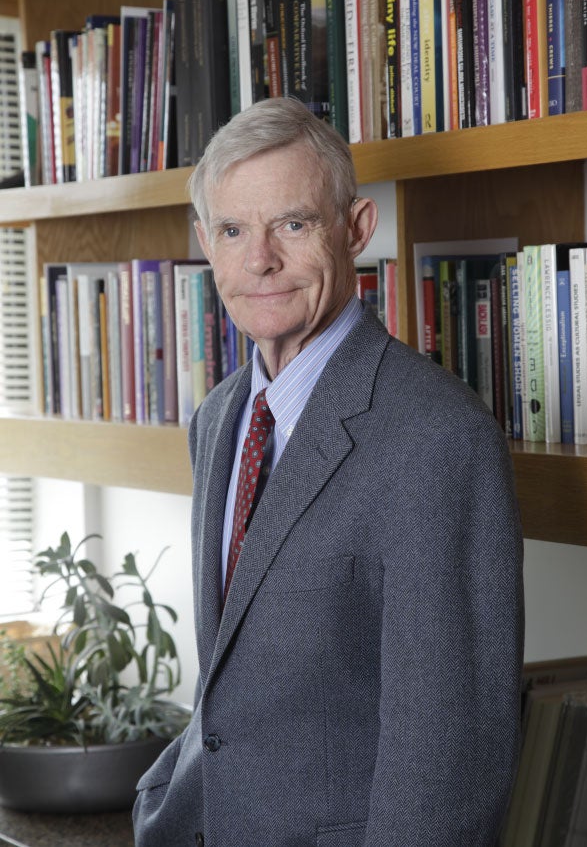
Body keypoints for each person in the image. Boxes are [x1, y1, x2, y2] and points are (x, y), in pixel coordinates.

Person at [133, 97, 524, 847]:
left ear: (355, 229)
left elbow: (450, 754)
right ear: (204, 245)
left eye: (293, 224)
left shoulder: (438, 435)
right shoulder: (219, 419)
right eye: (233, 230)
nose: (260, 261)